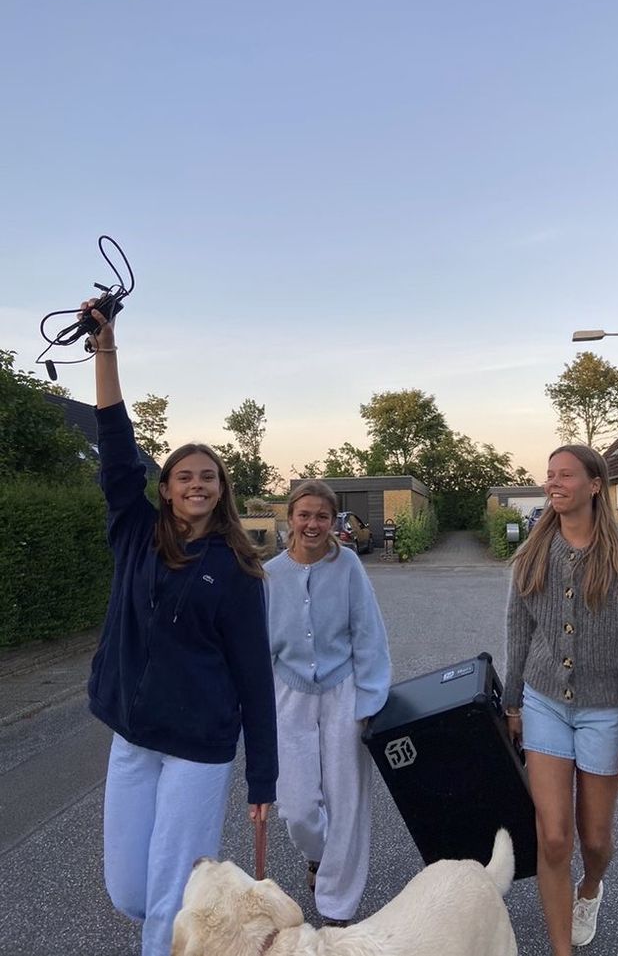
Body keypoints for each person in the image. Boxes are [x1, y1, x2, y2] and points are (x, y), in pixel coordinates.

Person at [82, 301, 278, 956]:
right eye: (184, 476)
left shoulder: (237, 570)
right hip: (134, 736)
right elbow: (114, 445)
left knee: (166, 902)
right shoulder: (135, 534)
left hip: (198, 749)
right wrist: (106, 351)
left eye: (209, 477)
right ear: (165, 488)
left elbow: (255, 677)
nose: (197, 484)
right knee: (130, 892)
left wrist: (263, 781)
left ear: (221, 490)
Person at [504, 445, 618, 955]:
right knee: (553, 838)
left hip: (606, 711)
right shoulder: (533, 553)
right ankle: (561, 950)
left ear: (595, 485)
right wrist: (512, 705)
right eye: (549, 474)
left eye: (565, 475)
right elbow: (519, 632)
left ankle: (591, 886)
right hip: (545, 702)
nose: (553, 483)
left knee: (594, 840)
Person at [264, 480, 391, 926]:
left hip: (343, 691)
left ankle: (337, 904)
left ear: (333, 520)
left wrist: (371, 698)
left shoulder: (349, 565)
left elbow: (368, 632)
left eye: (322, 516)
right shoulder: (271, 574)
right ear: (291, 517)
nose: (313, 524)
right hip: (290, 693)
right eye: (305, 514)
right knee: (297, 804)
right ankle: (318, 854)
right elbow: (261, 645)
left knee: (347, 799)